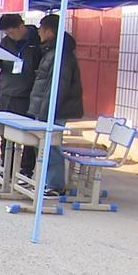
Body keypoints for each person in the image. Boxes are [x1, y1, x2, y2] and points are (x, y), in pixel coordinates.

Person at [28, 14, 84, 197]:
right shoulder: (50, 51)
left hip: (54, 110)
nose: (38, 32)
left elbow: (59, 86)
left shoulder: (61, 54)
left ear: (49, 32)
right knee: (44, 147)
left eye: (41, 29)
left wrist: (46, 112)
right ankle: (45, 182)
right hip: (44, 108)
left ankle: (55, 185)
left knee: (52, 147)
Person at [0, 14, 42, 178]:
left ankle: (26, 171)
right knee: (5, 134)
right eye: (7, 33)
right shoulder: (6, 42)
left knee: (27, 135)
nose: (9, 36)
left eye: (11, 33)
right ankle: (7, 168)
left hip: (26, 94)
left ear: (21, 26)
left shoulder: (36, 40)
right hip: (7, 92)